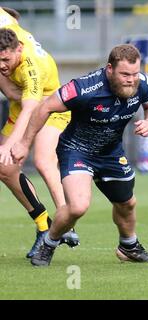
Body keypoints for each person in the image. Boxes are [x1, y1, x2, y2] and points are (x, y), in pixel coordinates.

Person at [12, 44, 148, 266]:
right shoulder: (83, 88)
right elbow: (44, 108)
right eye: (125, 74)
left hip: (111, 153)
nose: (131, 80)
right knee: (78, 206)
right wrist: (25, 144)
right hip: (77, 150)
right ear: (110, 69)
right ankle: (49, 242)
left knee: (127, 204)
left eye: (134, 74)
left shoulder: (140, 83)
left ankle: (128, 246)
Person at [0, 17, 79, 259]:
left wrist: (14, 144)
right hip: (20, 103)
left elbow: (29, 109)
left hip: (50, 106)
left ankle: (67, 223)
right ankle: (44, 223)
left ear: (19, 49)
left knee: (44, 161)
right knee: (5, 169)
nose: (1, 64)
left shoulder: (31, 67)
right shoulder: (6, 23)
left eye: (5, 59)